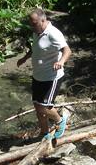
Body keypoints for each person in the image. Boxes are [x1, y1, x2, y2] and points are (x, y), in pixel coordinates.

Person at [17, 8, 72, 140]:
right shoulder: (37, 32)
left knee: (44, 106)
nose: (32, 27)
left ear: (43, 20)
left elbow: (67, 50)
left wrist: (61, 61)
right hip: (38, 76)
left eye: (34, 24)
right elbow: (35, 48)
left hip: (51, 77)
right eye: (31, 24)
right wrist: (24, 58)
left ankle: (60, 121)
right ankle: (44, 133)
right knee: (37, 106)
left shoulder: (53, 33)